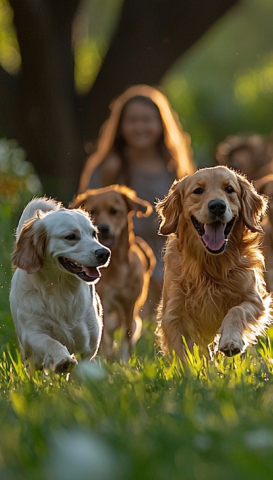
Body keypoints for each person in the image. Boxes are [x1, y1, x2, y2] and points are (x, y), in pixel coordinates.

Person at [79, 85, 196, 311]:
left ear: (161, 125)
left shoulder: (175, 168)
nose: (139, 127)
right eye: (132, 121)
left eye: (147, 120)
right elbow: (86, 216)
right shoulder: (108, 167)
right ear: (120, 126)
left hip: (168, 255)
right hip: (119, 257)